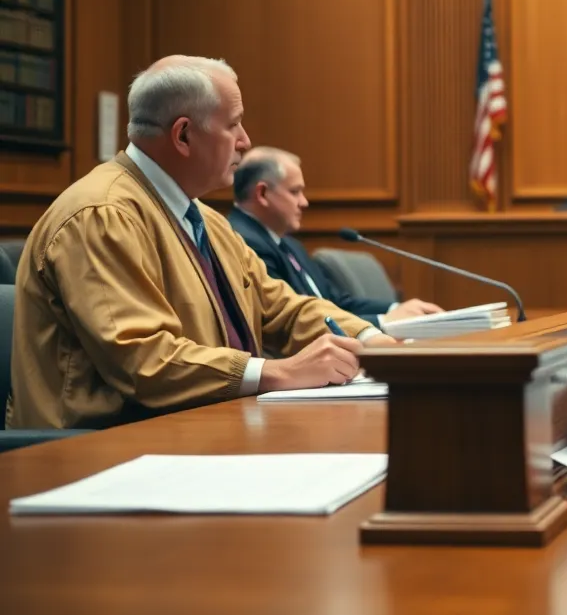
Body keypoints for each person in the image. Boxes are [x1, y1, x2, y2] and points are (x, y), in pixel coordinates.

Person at [6, 56, 385, 431]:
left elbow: (281, 308)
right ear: (183, 135)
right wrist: (277, 372)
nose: (245, 141)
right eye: (233, 124)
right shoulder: (101, 215)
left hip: (197, 430)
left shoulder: (204, 219)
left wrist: (373, 343)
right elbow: (143, 360)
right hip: (97, 453)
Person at [230, 146, 441, 328]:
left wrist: (398, 308)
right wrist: (384, 320)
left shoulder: (290, 244)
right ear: (263, 194)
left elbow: (334, 302)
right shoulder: (245, 243)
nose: (304, 202)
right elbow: (291, 321)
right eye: (295, 192)